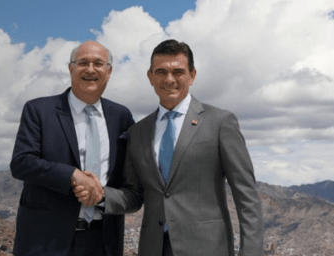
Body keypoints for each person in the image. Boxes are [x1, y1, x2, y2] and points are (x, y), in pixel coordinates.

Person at [77, 39, 264, 256]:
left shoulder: (220, 123)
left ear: (192, 75)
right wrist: (101, 195)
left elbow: (247, 196)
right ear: (150, 77)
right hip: (153, 247)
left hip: (208, 248)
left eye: (178, 72)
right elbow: (134, 195)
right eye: (161, 72)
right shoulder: (137, 132)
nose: (169, 79)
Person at [10, 41, 135, 256]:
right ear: (71, 68)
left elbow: (130, 180)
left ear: (109, 71)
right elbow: (21, 163)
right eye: (83, 63)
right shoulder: (39, 110)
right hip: (46, 242)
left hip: (103, 242)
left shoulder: (122, 117)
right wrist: (72, 176)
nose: (90, 69)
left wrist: (102, 195)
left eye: (98, 63)